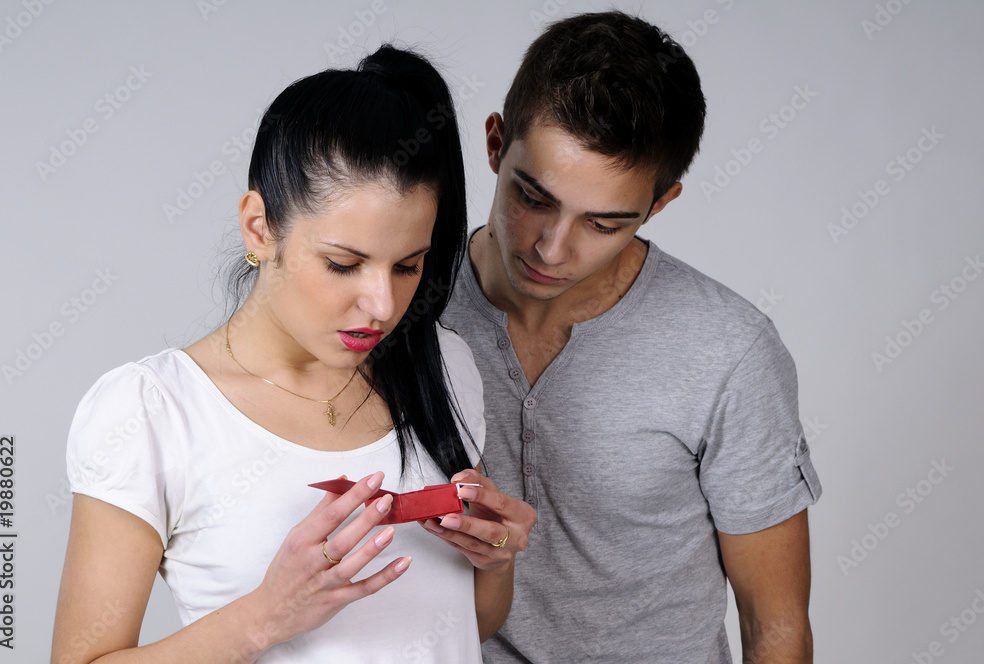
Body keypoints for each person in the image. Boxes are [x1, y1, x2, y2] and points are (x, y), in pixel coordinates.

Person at [52, 45, 535, 664]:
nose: (383, 305)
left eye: (407, 265)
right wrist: (265, 618)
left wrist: (495, 561)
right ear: (259, 228)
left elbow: (466, 625)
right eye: (344, 264)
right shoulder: (151, 412)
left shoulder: (444, 366)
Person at [440, 11, 823, 664]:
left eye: (602, 224)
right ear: (496, 143)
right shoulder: (402, 304)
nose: (550, 248)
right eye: (534, 197)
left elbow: (776, 626)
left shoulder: (731, 352)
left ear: (661, 203)